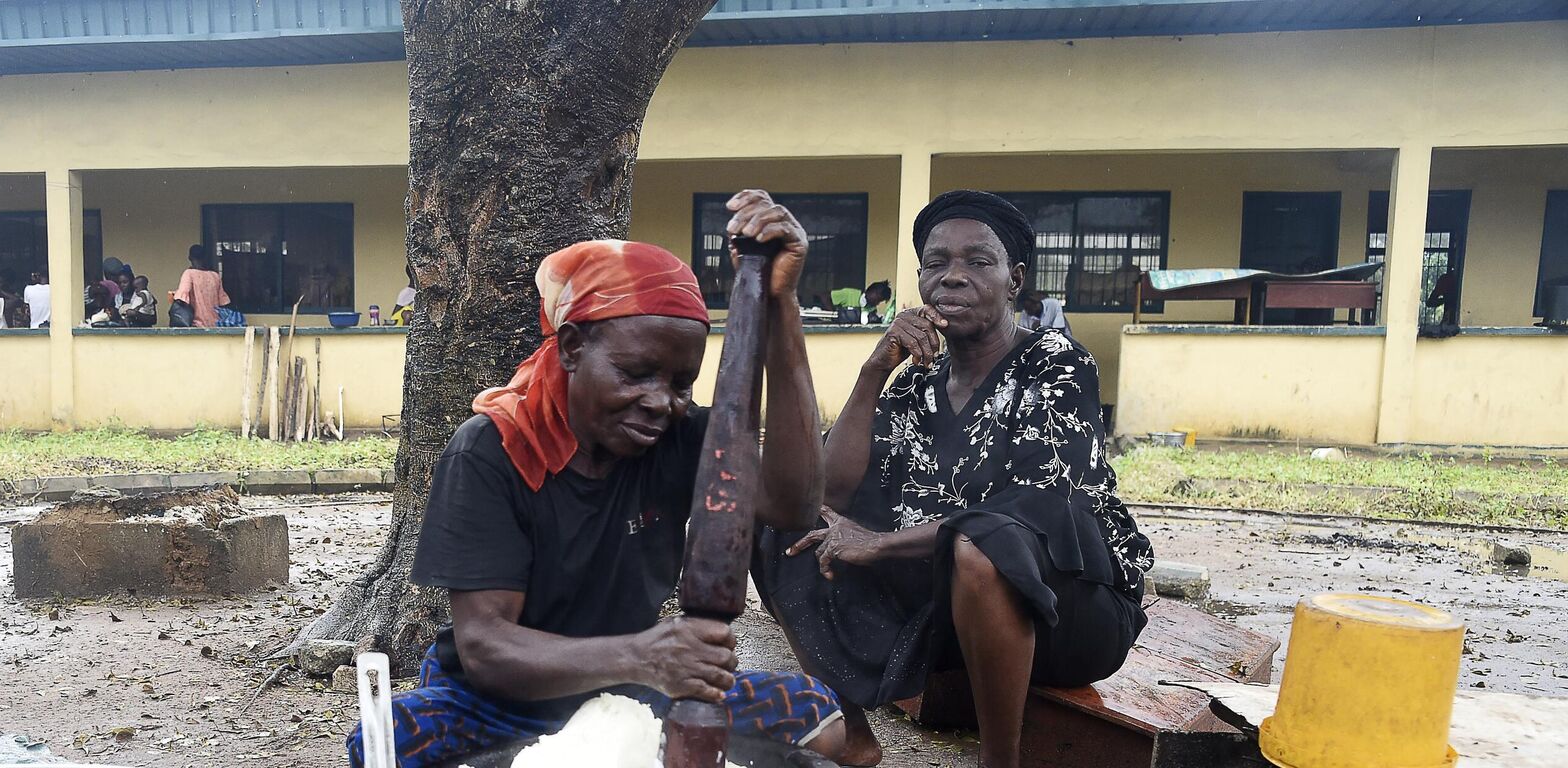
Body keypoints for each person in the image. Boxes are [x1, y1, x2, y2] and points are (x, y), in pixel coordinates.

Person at [346, 191, 852, 768]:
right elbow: (487, 649)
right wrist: (643, 655)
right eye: (636, 374)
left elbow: (793, 503)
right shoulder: (493, 450)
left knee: (819, 720)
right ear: (571, 347)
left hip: (635, 689)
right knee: (385, 743)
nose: (661, 401)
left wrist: (780, 306)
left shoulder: (682, 437)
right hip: (503, 698)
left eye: (682, 382)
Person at [753, 190, 1154, 768]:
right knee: (785, 523)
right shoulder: (917, 384)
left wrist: (881, 543)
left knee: (983, 544)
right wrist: (874, 371)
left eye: (977, 262)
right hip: (947, 614)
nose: (953, 278)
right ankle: (853, 736)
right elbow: (830, 493)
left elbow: (1033, 506)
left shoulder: (1057, 362)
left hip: (1071, 612)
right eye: (936, 263)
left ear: (1014, 279)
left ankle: (999, 763)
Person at [173, 245, 231, 329]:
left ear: (189, 257)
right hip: (216, 325)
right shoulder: (215, 276)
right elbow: (223, 302)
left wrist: (174, 295)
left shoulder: (189, 274)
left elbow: (181, 298)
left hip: (197, 326)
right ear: (205, 257)